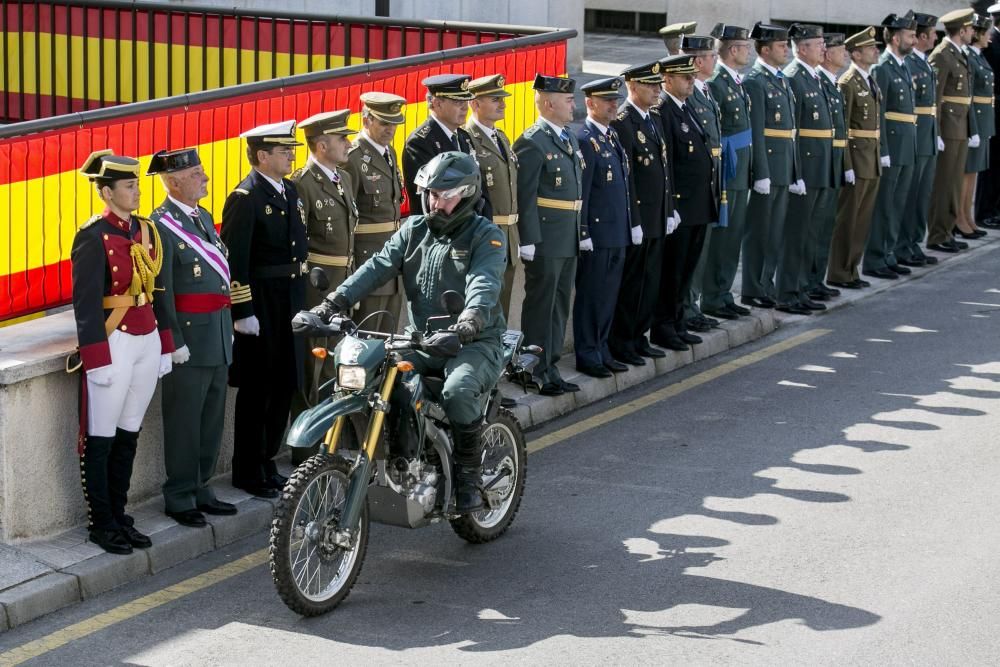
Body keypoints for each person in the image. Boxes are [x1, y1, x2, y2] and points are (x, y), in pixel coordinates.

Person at [308, 152, 506, 514]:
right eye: (430, 193)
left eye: (445, 195)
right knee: (379, 375)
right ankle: (403, 457)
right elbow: (376, 266)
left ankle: (467, 476)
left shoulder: (485, 235)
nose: (435, 202)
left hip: (473, 342)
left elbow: (484, 283)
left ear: (467, 194)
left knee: (458, 390)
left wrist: (469, 320)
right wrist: (332, 304)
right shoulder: (414, 229)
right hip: (419, 339)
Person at [71, 150, 175, 554]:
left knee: (129, 432)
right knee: (101, 437)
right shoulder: (93, 235)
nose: (136, 191)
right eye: (128, 186)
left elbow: (157, 290)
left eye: (136, 185)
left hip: (146, 337)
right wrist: (96, 358)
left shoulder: (145, 230)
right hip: (113, 341)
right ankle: (102, 522)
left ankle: (119, 512)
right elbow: (84, 303)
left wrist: (165, 343)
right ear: (106, 191)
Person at [149, 148, 236, 528]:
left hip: (216, 335)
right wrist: (173, 341)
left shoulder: (202, 217)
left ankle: (202, 486)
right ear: (174, 181)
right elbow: (162, 291)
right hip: (188, 341)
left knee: (211, 419)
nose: (206, 179)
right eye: (198, 173)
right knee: (184, 421)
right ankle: (179, 494)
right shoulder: (161, 226)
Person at [221, 120, 307, 499]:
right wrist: (243, 311)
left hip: (290, 298)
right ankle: (247, 469)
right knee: (259, 388)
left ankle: (268, 459)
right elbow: (234, 262)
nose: (291, 155)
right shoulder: (245, 197)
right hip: (261, 302)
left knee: (286, 382)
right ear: (262, 156)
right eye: (283, 150)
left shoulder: (288, 189)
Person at [513, 74, 583, 396]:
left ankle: (551, 367)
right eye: (567, 100)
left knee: (559, 306)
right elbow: (525, 195)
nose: (573, 105)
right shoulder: (532, 141)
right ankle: (534, 368)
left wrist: (581, 231)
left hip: (566, 237)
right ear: (547, 102)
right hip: (544, 239)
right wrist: (527, 239)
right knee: (541, 306)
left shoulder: (567, 137)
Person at [609, 61, 677, 366]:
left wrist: (670, 209)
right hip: (639, 217)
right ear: (632, 87)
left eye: (657, 85)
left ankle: (640, 336)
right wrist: (634, 221)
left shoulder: (653, 119)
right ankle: (623, 341)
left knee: (650, 280)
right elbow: (629, 179)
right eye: (650, 85)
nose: (656, 90)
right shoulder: (624, 123)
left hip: (658, 215)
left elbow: (664, 169)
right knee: (633, 283)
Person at [650, 54, 718, 351]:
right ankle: (664, 326)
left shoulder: (684, 107)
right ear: (667, 80)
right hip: (680, 207)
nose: (692, 81)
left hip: (697, 205)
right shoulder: (664, 110)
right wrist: (671, 207)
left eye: (692, 77)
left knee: (686, 269)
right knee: (673, 271)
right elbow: (668, 164)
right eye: (685, 77)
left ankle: (678, 321)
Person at [573, 77, 637, 378]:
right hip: (597, 235)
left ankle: (602, 348)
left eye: (615, 99)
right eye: (607, 100)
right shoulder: (586, 139)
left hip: (616, 232)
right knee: (592, 295)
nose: (614, 105)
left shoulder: (611, 136)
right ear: (590, 103)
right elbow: (583, 193)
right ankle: (587, 353)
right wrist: (583, 232)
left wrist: (631, 224)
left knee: (609, 294)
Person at [777, 23, 835, 315]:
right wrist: (795, 172)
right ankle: (787, 291)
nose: (824, 48)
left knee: (811, 231)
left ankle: (802, 287)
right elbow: (794, 131)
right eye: (818, 44)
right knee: (797, 233)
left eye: (824, 43)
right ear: (801, 48)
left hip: (820, 164)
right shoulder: (794, 77)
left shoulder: (815, 77)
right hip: (805, 166)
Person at [742, 23, 798, 309]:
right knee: (760, 231)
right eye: (781, 46)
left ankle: (767, 283)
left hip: (783, 164)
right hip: (768, 167)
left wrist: (795, 170)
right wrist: (760, 172)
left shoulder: (780, 79)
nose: (786, 50)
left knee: (775, 231)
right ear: (765, 50)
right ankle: (752, 287)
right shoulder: (755, 81)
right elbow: (757, 131)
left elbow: (790, 131)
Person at [701, 23, 754, 322]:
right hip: (727, 169)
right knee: (722, 236)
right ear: (733, 50)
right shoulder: (718, 82)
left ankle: (723, 294)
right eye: (745, 47)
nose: (749, 52)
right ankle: (712, 296)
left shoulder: (734, 81)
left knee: (734, 235)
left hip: (741, 166)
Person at [342, 92, 407, 333]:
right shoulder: (353, 158)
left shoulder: (389, 153)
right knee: (366, 336)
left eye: (394, 123)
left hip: (393, 260)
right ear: (366, 120)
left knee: (387, 339)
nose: (391, 129)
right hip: (367, 260)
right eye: (384, 123)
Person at [862, 12, 920, 281]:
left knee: (898, 203)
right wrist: (882, 148)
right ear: (895, 38)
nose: (914, 39)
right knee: (885, 203)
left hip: (907, 142)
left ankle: (889, 253)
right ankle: (875, 257)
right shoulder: (883, 67)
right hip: (892, 144)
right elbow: (879, 112)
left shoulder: (904, 65)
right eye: (910, 35)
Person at [827, 28, 884, 289]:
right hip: (856, 159)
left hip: (870, 157)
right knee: (848, 218)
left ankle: (852, 269)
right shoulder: (848, 83)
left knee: (862, 219)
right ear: (856, 54)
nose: (875, 51)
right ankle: (839, 271)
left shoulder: (869, 80)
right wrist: (846, 165)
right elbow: (844, 128)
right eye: (870, 48)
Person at [466, 74, 520, 317]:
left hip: (508, 237)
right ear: (475, 104)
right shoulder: (467, 139)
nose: (503, 104)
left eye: (503, 99)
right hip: (485, 237)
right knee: (483, 310)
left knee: (503, 310)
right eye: (495, 99)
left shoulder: (501, 138)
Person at [679, 33, 723, 332]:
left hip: (710, 177)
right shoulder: (689, 94)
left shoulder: (704, 90)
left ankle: (691, 304)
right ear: (696, 61)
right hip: (693, 185)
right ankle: (686, 307)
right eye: (711, 56)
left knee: (702, 247)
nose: (715, 60)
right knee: (689, 252)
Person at [927, 8, 978, 254]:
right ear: (962, 30)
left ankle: (947, 231)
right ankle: (937, 234)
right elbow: (935, 98)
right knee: (944, 183)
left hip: (960, 126)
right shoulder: (942, 55)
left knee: (955, 183)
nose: (973, 33)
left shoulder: (958, 53)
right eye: (970, 30)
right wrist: (934, 132)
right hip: (947, 127)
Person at [898, 13, 941, 267]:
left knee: (922, 194)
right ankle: (903, 245)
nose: (935, 37)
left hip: (927, 134)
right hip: (914, 135)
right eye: (932, 33)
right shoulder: (910, 63)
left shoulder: (923, 62)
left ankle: (913, 242)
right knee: (910, 195)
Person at [808, 32, 849, 298]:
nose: (843, 53)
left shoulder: (829, 82)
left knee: (824, 225)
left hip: (832, 161)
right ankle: (805, 282)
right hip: (816, 163)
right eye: (838, 48)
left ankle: (815, 279)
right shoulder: (818, 80)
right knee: (811, 227)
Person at [402, 74, 478, 212]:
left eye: (466, 102)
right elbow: (426, 198)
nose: (465, 108)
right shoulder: (420, 142)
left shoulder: (463, 137)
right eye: (458, 102)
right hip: (440, 226)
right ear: (437, 103)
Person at [959, 14, 995, 237]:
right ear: (978, 34)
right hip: (974, 120)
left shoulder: (979, 57)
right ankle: (960, 218)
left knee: (974, 171)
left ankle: (968, 217)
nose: (989, 37)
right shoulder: (970, 59)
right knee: (967, 171)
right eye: (986, 33)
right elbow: (969, 96)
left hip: (983, 121)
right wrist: (972, 127)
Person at [976, 3, 1000, 227]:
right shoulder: (991, 43)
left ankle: (995, 208)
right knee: (991, 164)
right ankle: (985, 211)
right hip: (994, 109)